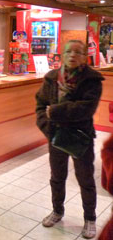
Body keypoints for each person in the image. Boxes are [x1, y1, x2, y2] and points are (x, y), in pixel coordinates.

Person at [36, 40, 103, 239]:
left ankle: (90, 218)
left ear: (85, 57)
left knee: (86, 179)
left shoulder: (92, 80)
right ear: (62, 54)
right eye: (68, 51)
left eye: (78, 52)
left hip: (80, 137)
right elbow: (40, 104)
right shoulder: (51, 78)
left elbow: (86, 108)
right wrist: (47, 126)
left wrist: (55, 111)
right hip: (55, 135)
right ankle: (57, 211)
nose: (72, 55)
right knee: (57, 177)